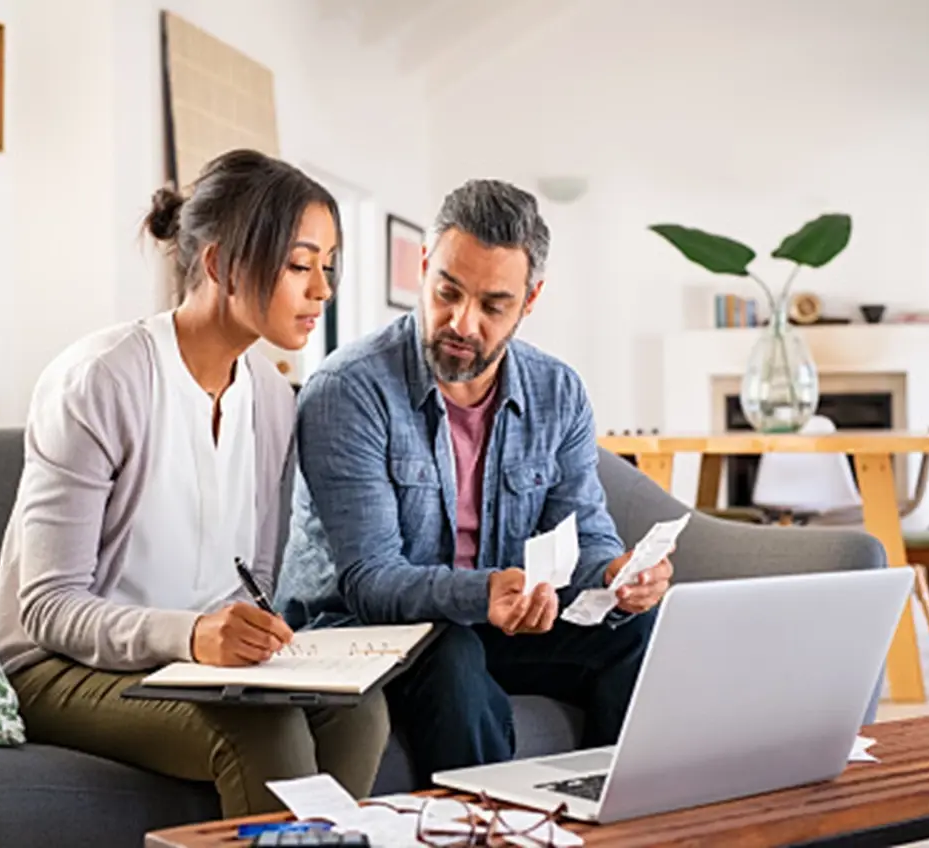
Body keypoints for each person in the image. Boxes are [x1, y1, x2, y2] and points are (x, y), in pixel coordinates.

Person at [0, 149, 389, 817]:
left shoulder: (275, 400)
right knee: (267, 730)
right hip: (53, 668)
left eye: (328, 267)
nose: (322, 290)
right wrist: (193, 635)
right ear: (222, 264)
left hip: (189, 667)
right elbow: (47, 608)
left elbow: (250, 577)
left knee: (359, 712)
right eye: (299, 265)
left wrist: (260, 640)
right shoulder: (101, 380)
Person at [274, 178, 672, 780]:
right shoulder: (349, 390)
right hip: (362, 631)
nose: (462, 322)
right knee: (454, 652)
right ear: (425, 267)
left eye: (493, 306)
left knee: (637, 630)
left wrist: (617, 574)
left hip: (491, 619)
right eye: (448, 292)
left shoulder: (557, 392)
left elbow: (586, 534)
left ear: (529, 301)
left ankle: (611, 823)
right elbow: (368, 580)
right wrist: (485, 594)